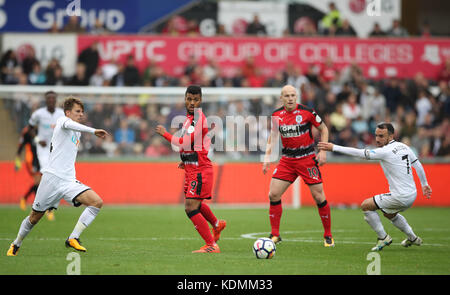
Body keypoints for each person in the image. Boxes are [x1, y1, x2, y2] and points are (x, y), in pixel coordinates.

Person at [7, 97, 109, 256]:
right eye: (77, 111)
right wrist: (93, 130)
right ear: (68, 112)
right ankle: (16, 243)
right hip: (51, 179)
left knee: (96, 202)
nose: (81, 114)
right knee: (34, 218)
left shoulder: (77, 131)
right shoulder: (62, 121)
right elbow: (70, 124)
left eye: (82, 111)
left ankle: (73, 238)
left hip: (68, 181)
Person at [317, 123, 432, 251]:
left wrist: (334, 147)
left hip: (400, 196)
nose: (377, 139)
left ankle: (383, 238)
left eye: (381, 136)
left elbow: (361, 153)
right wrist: (424, 184)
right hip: (412, 194)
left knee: (366, 206)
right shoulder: (404, 147)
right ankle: (413, 238)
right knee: (389, 214)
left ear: (391, 136)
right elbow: (417, 164)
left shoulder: (385, 151)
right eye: (376, 135)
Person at [155, 85, 226, 253]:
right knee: (197, 204)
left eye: (195, 99)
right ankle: (217, 224)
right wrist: (185, 160)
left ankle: (211, 245)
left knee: (190, 207)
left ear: (200, 100)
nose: (192, 102)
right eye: (189, 99)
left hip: (201, 170)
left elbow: (184, 142)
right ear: (185, 99)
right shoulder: (188, 119)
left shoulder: (198, 119)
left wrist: (165, 134)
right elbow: (191, 145)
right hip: (192, 168)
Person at [262, 85, 334, 247]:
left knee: (318, 196)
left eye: (293, 95)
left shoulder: (307, 112)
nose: (290, 98)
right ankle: (275, 235)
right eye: (286, 96)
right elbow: (272, 137)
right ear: (281, 98)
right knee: (273, 194)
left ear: (297, 97)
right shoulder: (276, 115)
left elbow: (324, 129)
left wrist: (323, 151)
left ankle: (328, 235)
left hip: (307, 159)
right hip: (287, 160)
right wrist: (267, 157)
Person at [27, 91, 65, 220]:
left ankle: (51, 206)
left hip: (57, 149)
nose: (51, 101)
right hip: (43, 149)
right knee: (47, 173)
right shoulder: (38, 114)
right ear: (45, 100)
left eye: (53, 98)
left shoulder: (61, 113)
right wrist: (37, 140)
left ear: (56, 100)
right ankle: (42, 205)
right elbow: (30, 128)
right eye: (48, 98)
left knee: (58, 175)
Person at [15, 125, 41, 211]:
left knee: (40, 183)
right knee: (38, 182)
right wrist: (17, 160)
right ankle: (38, 205)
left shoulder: (42, 130)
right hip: (31, 160)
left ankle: (26, 199)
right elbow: (21, 145)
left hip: (41, 159)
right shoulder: (27, 132)